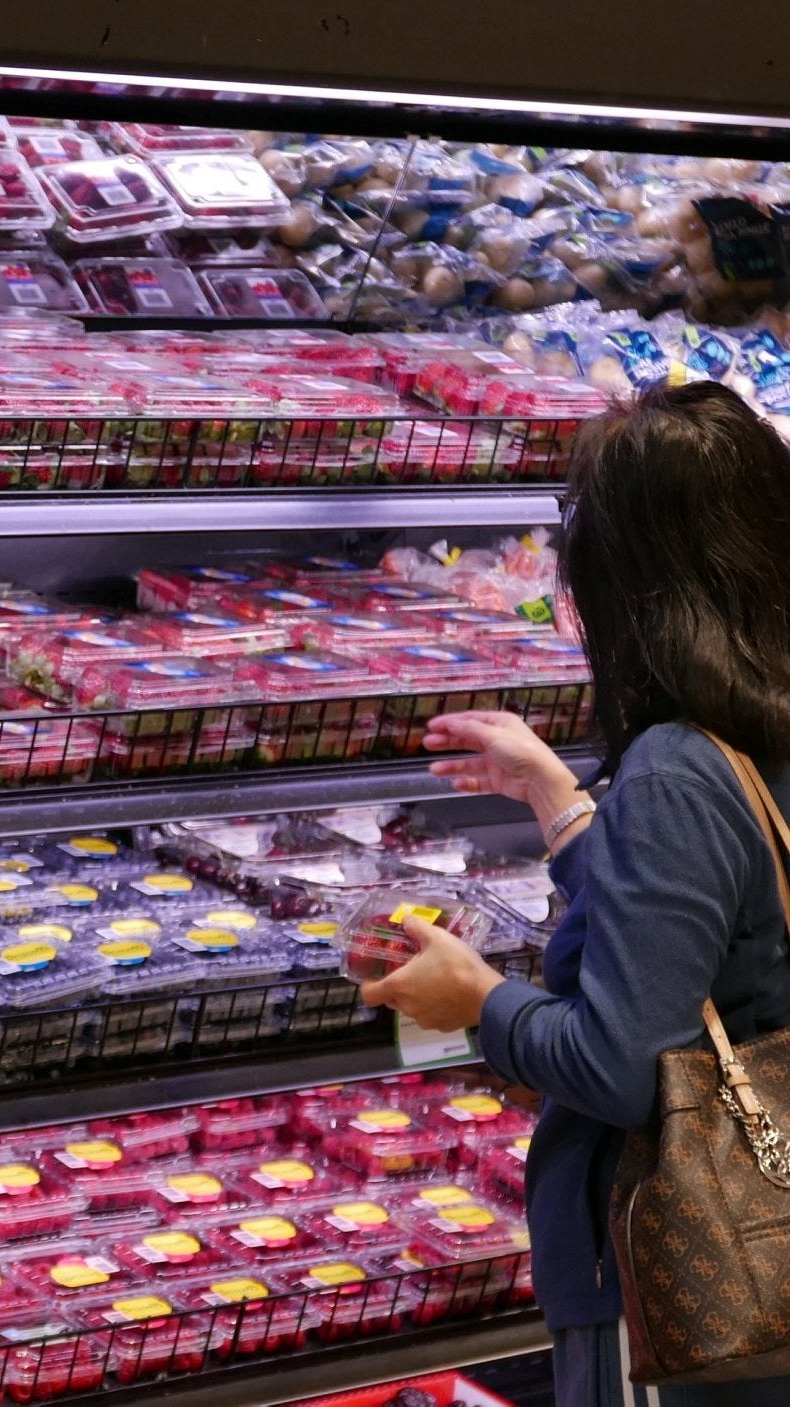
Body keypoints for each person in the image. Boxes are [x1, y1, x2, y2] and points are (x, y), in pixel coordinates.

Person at [361, 382, 790, 1407]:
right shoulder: (753, 733)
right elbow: (730, 929)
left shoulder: (680, 769)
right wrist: (560, 803)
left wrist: (477, 1003)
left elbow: (621, 1066)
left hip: (688, 1288)